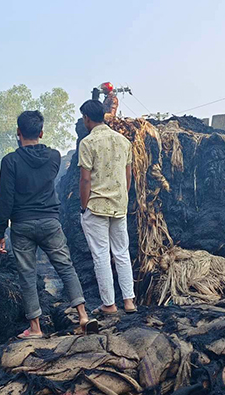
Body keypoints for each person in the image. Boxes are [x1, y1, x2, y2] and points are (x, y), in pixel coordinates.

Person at [0, 111, 97, 339]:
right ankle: (83, 316)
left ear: (18, 133)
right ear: (41, 133)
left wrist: (0, 231)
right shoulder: (53, 157)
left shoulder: (9, 161)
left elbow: (6, 199)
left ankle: (35, 328)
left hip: (22, 225)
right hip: (51, 222)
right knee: (66, 267)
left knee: (27, 275)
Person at [78, 100, 136, 315]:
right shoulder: (123, 141)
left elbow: (85, 180)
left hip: (96, 206)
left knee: (101, 255)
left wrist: (84, 207)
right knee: (122, 253)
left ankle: (109, 304)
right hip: (119, 206)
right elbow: (128, 175)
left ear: (86, 118)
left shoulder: (88, 143)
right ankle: (129, 301)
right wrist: (123, 197)